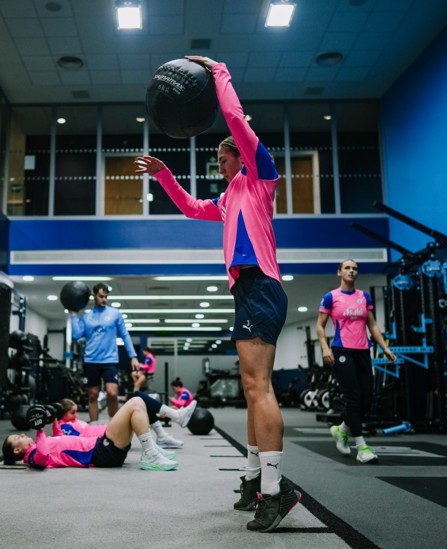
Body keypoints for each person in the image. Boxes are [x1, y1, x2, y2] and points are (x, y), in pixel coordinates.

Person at [135, 55, 299, 533]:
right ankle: (254, 480)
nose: (218, 161)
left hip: (262, 286)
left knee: (258, 389)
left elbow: (233, 120)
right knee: (252, 391)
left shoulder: (260, 176)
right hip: (246, 291)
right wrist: (164, 175)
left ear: (237, 154)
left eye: (223, 156)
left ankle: (276, 488)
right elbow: (190, 208)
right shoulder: (229, 199)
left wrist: (219, 72)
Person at [316, 259, 397, 464]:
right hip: (342, 350)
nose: (351, 271)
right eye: (347, 268)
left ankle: (341, 429)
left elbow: (372, 324)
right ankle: (362, 447)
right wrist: (325, 348)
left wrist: (384, 348)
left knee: (366, 399)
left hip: (363, 351)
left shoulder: (364, 297)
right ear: (339, 272)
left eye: (354, 269)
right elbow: (320, 325)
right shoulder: (331, 297)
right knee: (352, 398)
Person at [2, 391, 197, 470]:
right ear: (17, 450)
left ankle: (154, 447)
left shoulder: (39, 445)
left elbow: (59, 439)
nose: (20, 434)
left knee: (138, 402)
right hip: (100, 452)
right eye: (16, 437)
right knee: (135, 401)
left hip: (102, 448)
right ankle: (153, 450)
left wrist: (51, 421)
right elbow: (44, 456)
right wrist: (40, 430)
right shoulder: (34, 456)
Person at [69, 282, 140, 422]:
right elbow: (77, 335)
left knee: (112, 393)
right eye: (101, 296)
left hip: (110, 360)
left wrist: (133, 356)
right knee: (92, 395)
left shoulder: (115, 314)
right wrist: (72, 315)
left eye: (106, 297)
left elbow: (125, 335)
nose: (104, 300)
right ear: (94, 295)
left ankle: (114, 426)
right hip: (91, 360)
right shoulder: (86, 317)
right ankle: (94, 427)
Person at [51, 394, 182, 458]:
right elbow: (70, 442)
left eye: (76, 411)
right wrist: (55, 425)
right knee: (136, 398)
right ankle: (174, 418)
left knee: (140, 402)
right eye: (72, 413)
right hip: (106, 439)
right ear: (62, 414)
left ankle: (159, 439)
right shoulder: (64, 426)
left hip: (109, 433)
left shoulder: (73, 422)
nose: (76, 415)